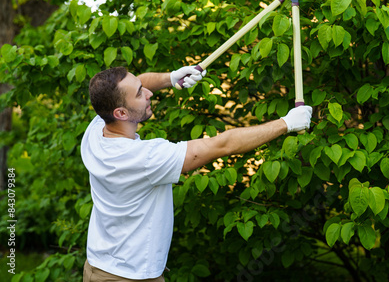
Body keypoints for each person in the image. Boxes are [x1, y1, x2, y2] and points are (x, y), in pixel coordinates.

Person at [81, 65, 312, 281]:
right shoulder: (144, 158)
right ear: (121, 112)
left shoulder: (96, 131)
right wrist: (286, 123)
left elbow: (137, 82)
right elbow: (222, 145)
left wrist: (171, 78)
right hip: (128, 276)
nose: (149, 93)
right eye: (141, 94)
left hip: (96, 266)